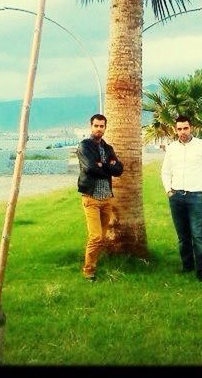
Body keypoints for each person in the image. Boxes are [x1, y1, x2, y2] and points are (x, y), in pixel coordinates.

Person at [161, 115, 202, 282]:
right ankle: (187, 267)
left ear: (191, 128)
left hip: (196, 197)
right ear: (175, 129)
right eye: (179, 129)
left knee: (198, 236)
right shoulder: (171, 148)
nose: (182, 132)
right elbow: (165, 171)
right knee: (183, 237)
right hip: (176, 196)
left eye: (185, 128)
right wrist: (168, 191)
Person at [76, 114, 123, 282]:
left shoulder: (108, 148)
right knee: (95, 236)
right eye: (96, 126)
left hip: (107, 200)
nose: (98, 129)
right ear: (91, 127)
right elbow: (89, 168)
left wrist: (102, 165)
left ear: (105, 128)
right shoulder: (84, 146)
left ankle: (94, 263)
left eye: (101, 126)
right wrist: (106, 167)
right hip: (91, 199)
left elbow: (119, 169)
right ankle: (88, 271)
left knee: (101, 238)